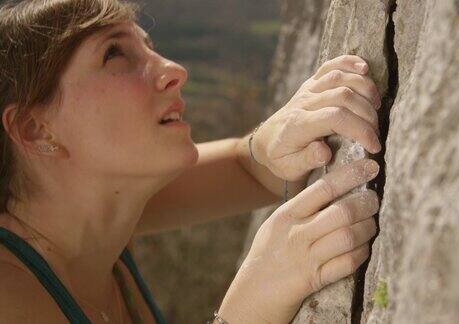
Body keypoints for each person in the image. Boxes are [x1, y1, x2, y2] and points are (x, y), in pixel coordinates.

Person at [0, 0, 382, 323]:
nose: (175, 70)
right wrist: (252, 303)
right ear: (35, 129)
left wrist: (272, 144)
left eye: (148, 47)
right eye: (114, 54)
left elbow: (247, 169)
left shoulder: (102, 213)